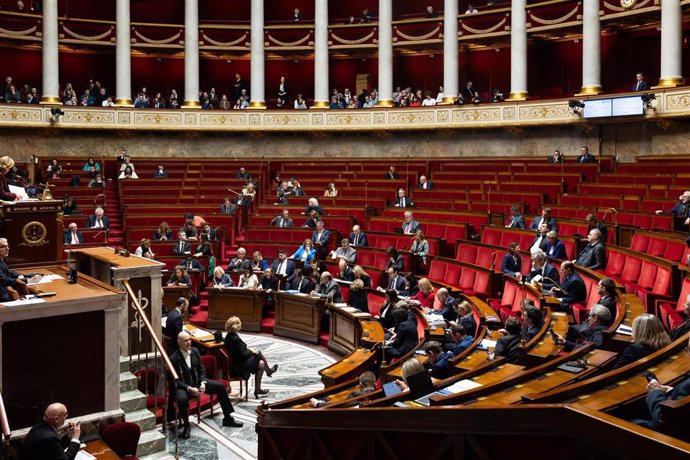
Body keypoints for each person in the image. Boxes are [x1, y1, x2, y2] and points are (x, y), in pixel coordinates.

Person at [170, 332, 242, 438]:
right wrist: (189, 388)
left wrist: (203, 382)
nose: (189, 342)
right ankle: (186, 425)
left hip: (199, 383)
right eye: (186, 341)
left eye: (189, 340)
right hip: (184, 386)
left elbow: (201, 369)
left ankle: (227, 418)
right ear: (179, 343)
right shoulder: (173, 358)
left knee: (220, 387)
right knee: (181, 399)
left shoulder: (195, 351)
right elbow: (175, 380)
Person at [309, 371, 377, 407]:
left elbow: (339, 405)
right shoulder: (380, 392)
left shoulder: (356, 395)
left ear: (360, 384)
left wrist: (318, 404)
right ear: (375, 384)